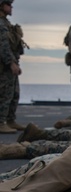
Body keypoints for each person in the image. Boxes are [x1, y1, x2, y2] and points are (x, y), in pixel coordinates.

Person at [0, 0, 26, 133]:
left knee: (14, 93)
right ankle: (1, 122)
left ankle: (10, 120)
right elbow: (3, 46)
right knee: (5, 94)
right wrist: (11, 63)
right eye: (8, 4)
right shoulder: (1, 24)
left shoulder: (6, 24)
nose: (11, 7)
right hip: (4, 66)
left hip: (10, 63)